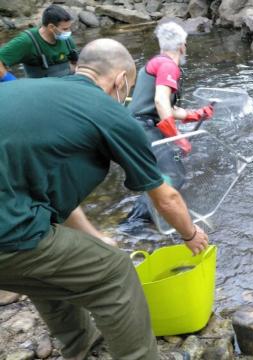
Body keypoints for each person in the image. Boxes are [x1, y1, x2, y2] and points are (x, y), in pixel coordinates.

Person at [0, 38, 208, 360]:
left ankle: (82, 348)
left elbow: (55, 199)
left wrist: (94, 236)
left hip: (12, 224)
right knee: (115, 272)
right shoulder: (109, 113)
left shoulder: (31, 92)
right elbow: (165, 196)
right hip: (7, 234)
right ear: (121, 80)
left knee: (49, 266)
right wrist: (191, 235)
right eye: (130, 87)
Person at [126, 21, 214, 222]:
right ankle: (134, 225)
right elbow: (160, 101)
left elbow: (166, 106)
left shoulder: (157, 62)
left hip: (139, 125)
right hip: (145, 127)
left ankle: (146, 217)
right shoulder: (168, 65)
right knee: (173, 174)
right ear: (182, 46)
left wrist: (195, 114)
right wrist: (175, 136)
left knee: (160, 172)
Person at [0, 4, 78, 81]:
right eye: (65, 29)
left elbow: (76, 63)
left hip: (66, 84)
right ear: (51, 27)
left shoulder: (67, 40)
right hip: (39, 90)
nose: (69, 32)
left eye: (69, 28)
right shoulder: (26, 41)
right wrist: (12, 82)